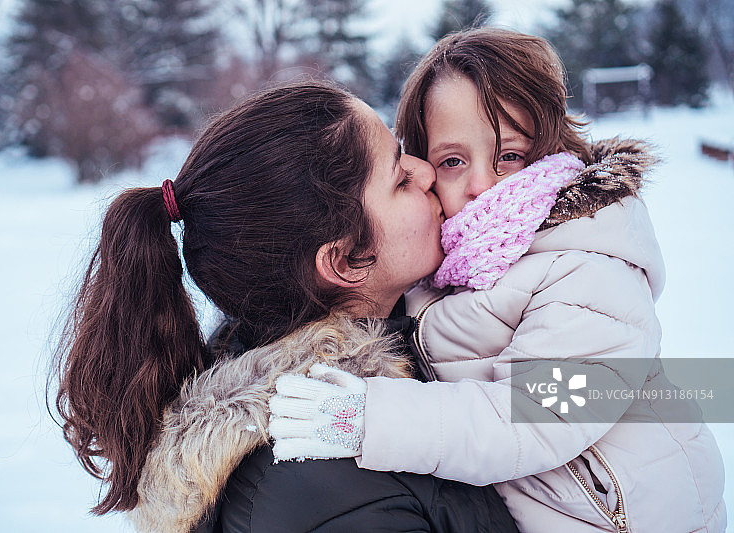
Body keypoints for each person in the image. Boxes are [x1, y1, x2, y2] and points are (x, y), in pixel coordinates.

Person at [268, 29, 726, 532]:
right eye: (453, 161)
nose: (481, 184)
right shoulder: (441, 267)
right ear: (421, 166)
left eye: (508, 155)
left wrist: (370, 420)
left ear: (551, 147)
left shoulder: (587, 268)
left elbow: (534, 415)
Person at [50, 81, 519, 532]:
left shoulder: (441, 314)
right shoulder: (318, 481)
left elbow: (585, 396)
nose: (426, 171)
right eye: (399, 178)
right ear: (344, 260)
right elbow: (588, 394)